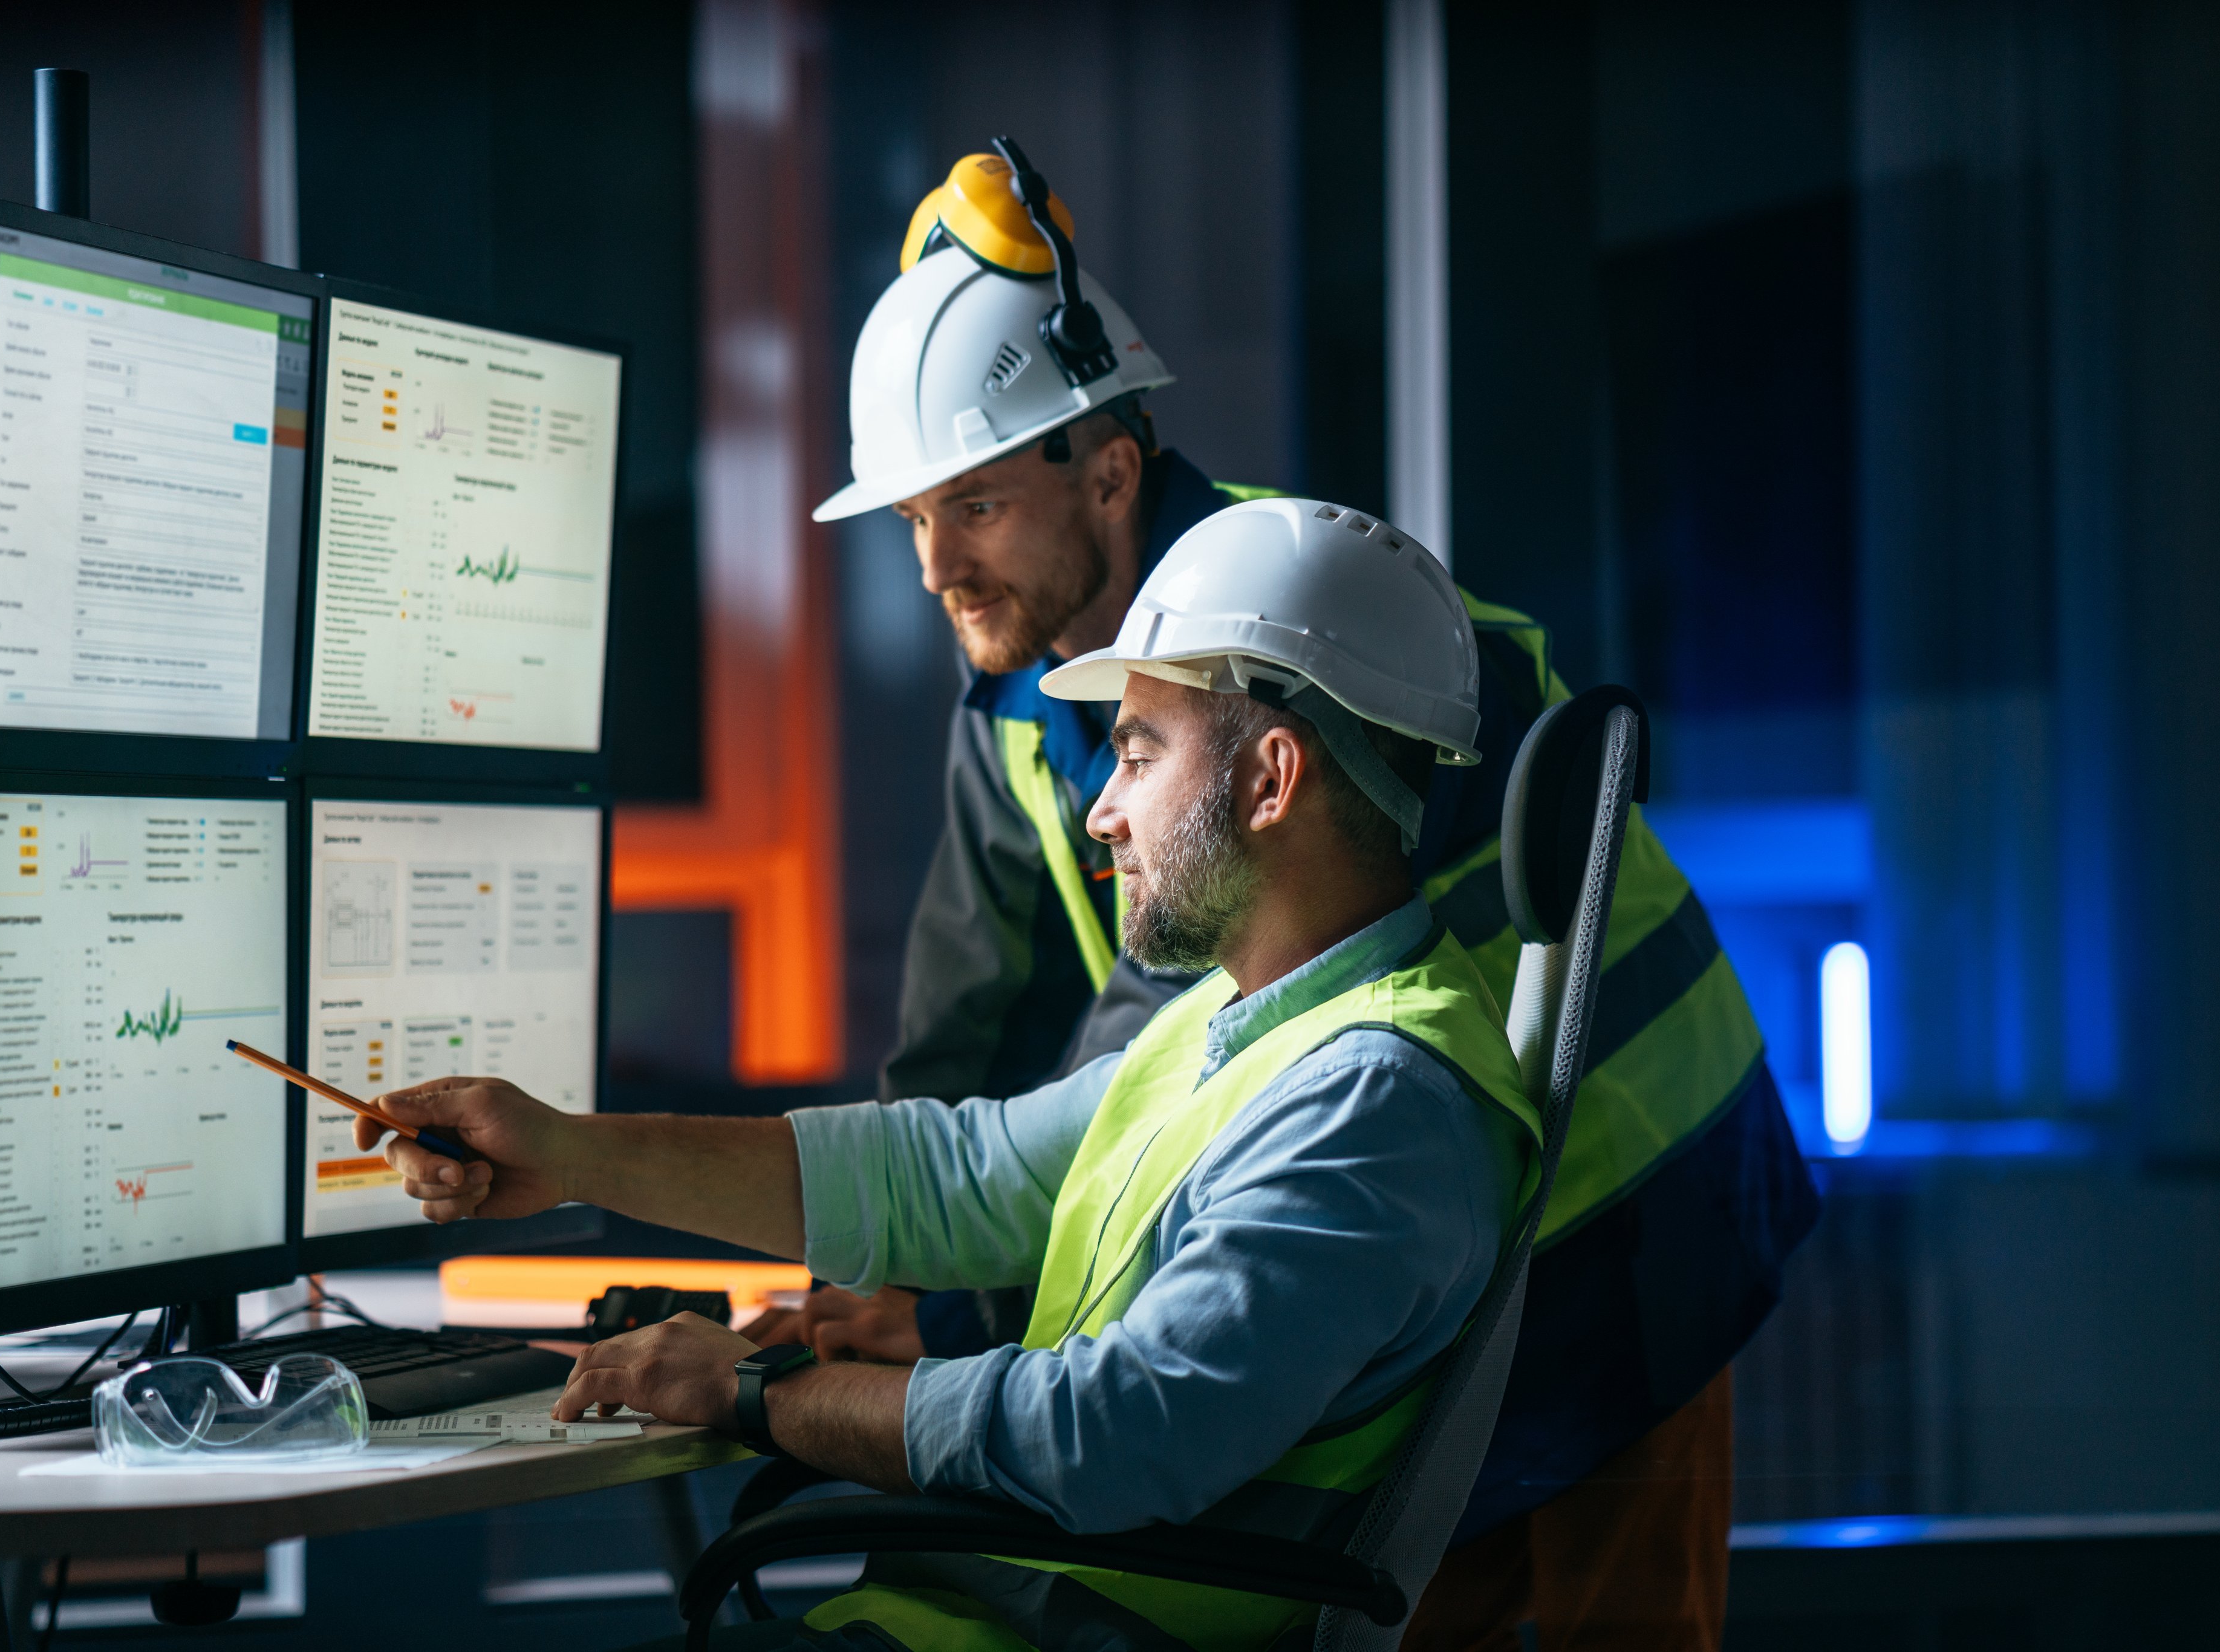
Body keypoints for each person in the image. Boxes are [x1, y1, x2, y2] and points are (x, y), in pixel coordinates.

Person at [763, 141, 1822, 1649]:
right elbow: (964, 1030)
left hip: (1633, 1189)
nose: (934, 565)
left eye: (978, 506)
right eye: (913, 518)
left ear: (1107, 471)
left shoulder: (1303, 620)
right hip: (1403, 1252)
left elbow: (1202, 1014)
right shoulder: (1011, 706)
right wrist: (855, 1287)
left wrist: (944, 1329)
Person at [363, 500, 1545, 1651]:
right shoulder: (1242, 1027)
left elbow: (1111, 1433)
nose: (1101, 813)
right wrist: (569, 1153)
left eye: (1136, 755)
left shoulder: (1372, 1103)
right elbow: (956, 1175)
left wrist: (756, 1392)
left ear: (1268, 780)